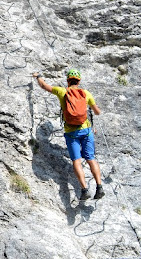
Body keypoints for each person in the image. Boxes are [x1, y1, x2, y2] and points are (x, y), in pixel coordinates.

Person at [33, 69, 105, 200]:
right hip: (87, 131)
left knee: (76, 160)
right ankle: (99, 187)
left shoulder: (62, 91)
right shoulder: (86, 93)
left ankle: (84, 190)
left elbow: (44, 86)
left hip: (71, 133)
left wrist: (38, 77)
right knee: (90, 158)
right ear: (79, 81)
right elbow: (97, 112)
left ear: (68, 80)